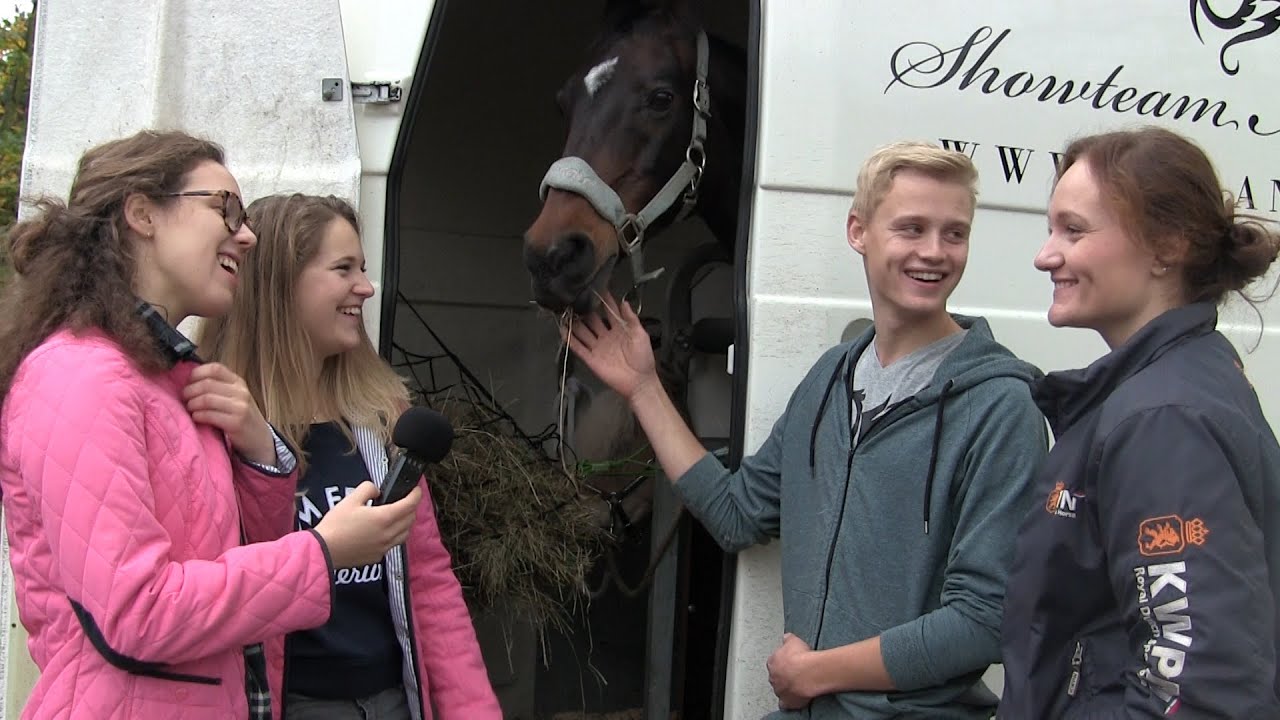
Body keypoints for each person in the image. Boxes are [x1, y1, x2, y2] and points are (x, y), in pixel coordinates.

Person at [566, 142, 1047, 718]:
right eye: (911, 228)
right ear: (858, 231)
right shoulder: (830, 380)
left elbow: (983, 622)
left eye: (954, 233)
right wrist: (644, 388)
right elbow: (738, 513)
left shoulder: (1001, 407)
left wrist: (816, 671)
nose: (934, 252)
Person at [0, 130, 423, 720]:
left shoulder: (164, 376)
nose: (245, 233)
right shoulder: (79, 376)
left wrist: (259, 450)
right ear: (143, 214)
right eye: (225, 208)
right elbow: (137, 614)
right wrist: (322, 553)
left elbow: (227, 554)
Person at [998, 127, 1280, 717]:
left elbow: (1199, 691)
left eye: (1073, 230)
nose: (1046, 255)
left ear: (1166, 246)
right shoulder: (1167, 386)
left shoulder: (1162, 419)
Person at [198, 193, 502, 720]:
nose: (365, 287)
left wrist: (472, 709)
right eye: (343, 269)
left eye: (362, 268)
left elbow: (427, 581)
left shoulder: (380, 416)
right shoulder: (216, 423)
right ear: (278, 285)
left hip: (390, 701)